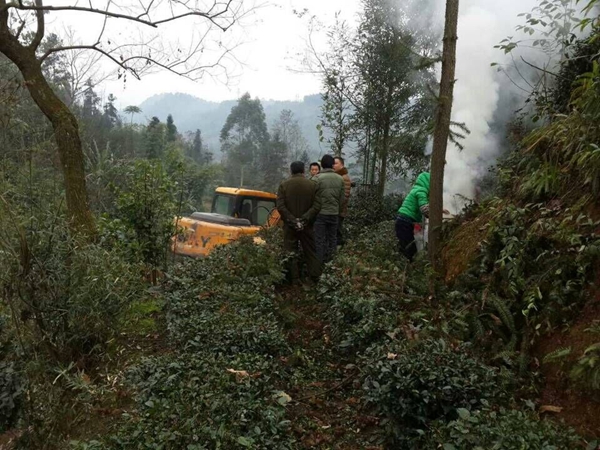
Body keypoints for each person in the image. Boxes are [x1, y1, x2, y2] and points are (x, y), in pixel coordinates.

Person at [276, 161, 322, 283]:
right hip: (308, 225)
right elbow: (317, 205)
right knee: (311, 251)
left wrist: (292, 220)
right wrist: (304, 219)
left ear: (291, 171)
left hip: (289, 226)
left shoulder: (284, 185)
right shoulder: (313, 185)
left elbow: (280, 206)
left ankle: (294, 279)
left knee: (290, 251)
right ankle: (314, 278)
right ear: (304, 171)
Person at [395, 172, 448, 262]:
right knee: (410, 250)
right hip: (405, 222)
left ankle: (404, 265)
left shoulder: (418, 189)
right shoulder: (421, 191)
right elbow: (425, 209)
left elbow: (427, 209)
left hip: (403, 221)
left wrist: (440, 210)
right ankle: (407, 267)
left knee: (406, 247)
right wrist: (438, 216)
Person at [314, 154, 345, 264]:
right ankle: (332, 264)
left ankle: (319, 264)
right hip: (334, 213)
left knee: (319, 240)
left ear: (322, 165)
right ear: (332, 165)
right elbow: (342, 198)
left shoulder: (316, 178)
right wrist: (337, 209)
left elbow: (312, 197)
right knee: (332, 239)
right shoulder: (340, 179)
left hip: (320, 214)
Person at [333, 156, 351, 246]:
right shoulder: (337, 176)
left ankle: (339, 247)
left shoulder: (344, 178)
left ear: (342, 165)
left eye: (336, 163)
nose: (333, 165)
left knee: (337, 230)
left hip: (339, 210)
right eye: (333, 163)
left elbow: (345, 196)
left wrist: (336, 209)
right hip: (336, 209)